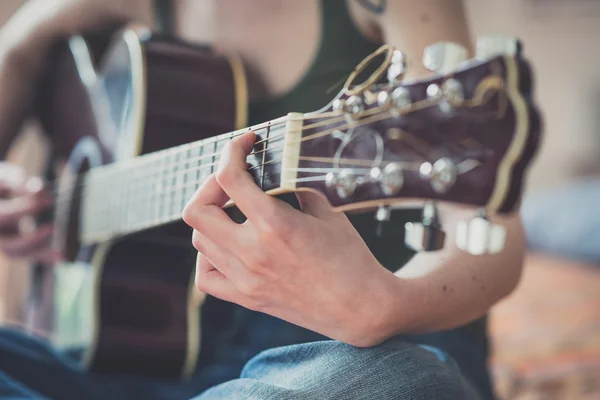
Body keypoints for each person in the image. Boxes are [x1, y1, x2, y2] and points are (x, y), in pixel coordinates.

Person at [0, 0, 526, 398]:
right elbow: (20, 44)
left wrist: (386, 306)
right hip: (142, 356)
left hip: (354, 350)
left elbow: (490, 239)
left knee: (396, 380)